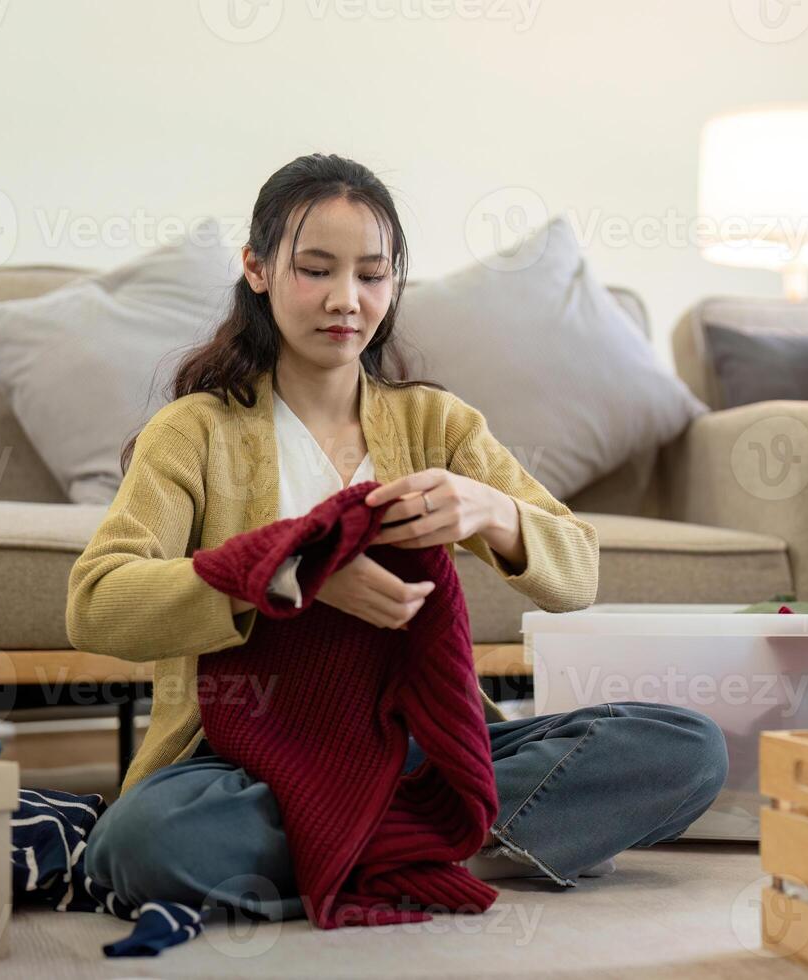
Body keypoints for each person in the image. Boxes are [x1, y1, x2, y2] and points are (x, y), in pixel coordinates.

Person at [68, 152, 728, 919]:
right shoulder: (196, 430)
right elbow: (98, 602)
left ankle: (358, 845)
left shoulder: (433, 424)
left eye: (372, 276)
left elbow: (577, 572)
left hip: (426, 753)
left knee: (688, 748)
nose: (345, 300)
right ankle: (435, 846)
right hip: (249, 759)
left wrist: (492, 511)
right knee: (141, 844)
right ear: (257, 268)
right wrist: (293, 577)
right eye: (315, 270)